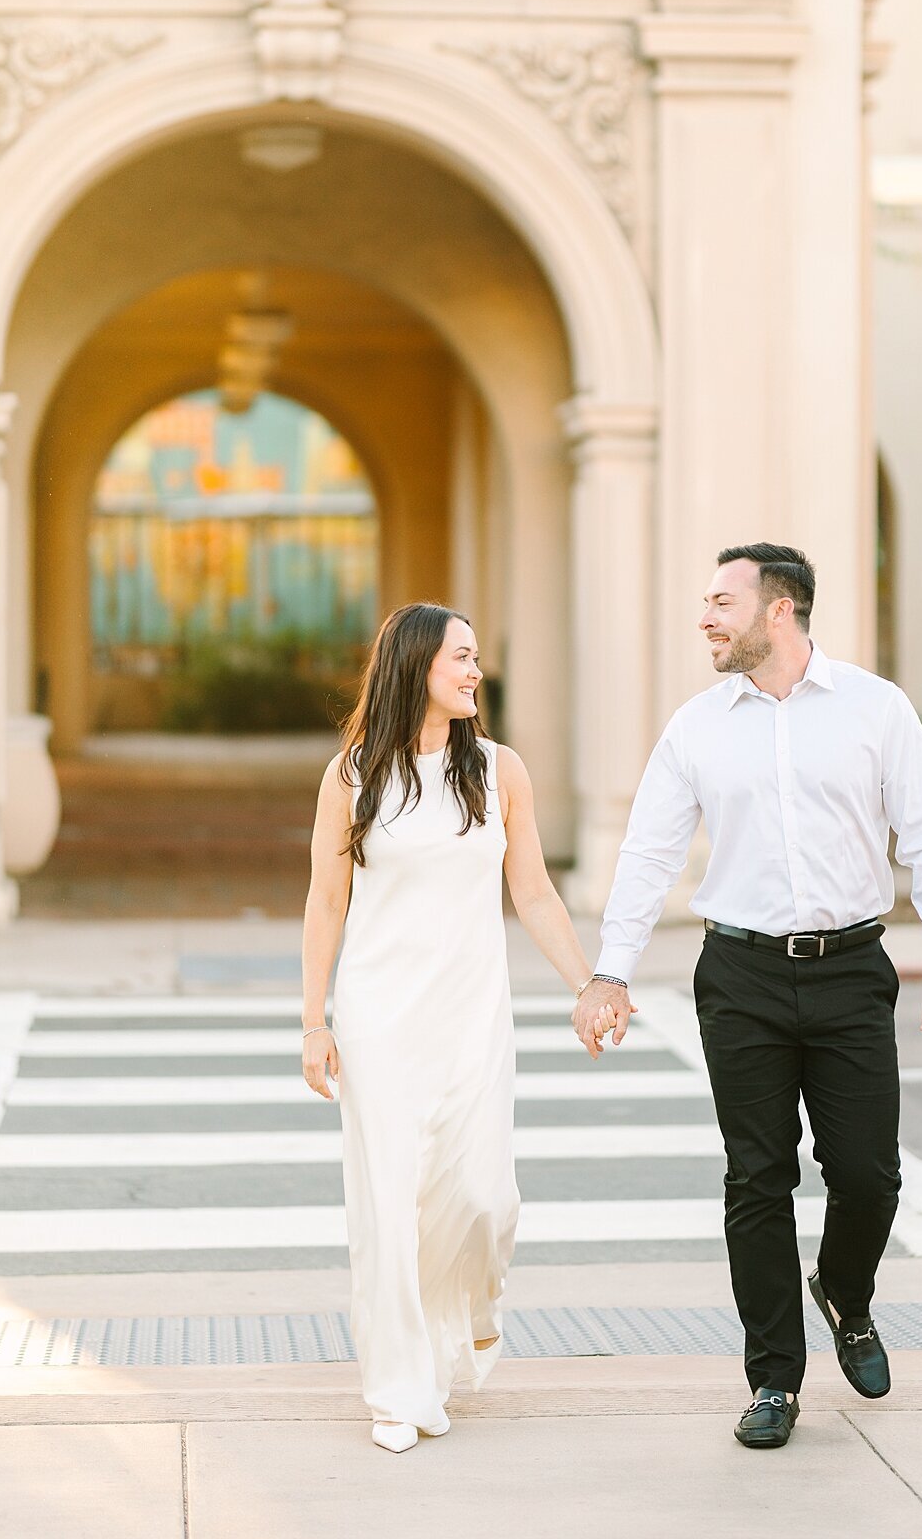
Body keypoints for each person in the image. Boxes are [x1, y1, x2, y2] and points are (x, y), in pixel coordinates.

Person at [572, 542, 922, 1449]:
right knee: (758, 1177)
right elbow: (647, 854)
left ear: (780, 611)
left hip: (849, 969)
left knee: (870, 1175)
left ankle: (845, 1292)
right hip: (742, 974)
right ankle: (774, 1383)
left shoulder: (876, 710)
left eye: (723, 601)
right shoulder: (697, 726)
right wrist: (612, 969)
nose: (707, 617)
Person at [300, 601, 606, 1454]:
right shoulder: (352, 775)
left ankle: (464, 1315)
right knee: (389, 1207)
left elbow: (535, 892)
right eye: (461, 658)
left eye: (475, 658)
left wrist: (588, 983)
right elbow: (327, 903)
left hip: (472, 1014)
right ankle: (399, 1390)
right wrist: (312, 1022)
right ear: (415, 667)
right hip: (376, 1017)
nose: (475, 672)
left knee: (481, 1197)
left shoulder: (500, 771)